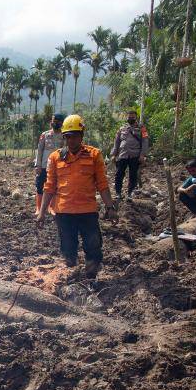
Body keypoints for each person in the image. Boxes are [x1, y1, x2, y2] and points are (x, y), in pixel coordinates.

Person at [37, 114, 117, 279]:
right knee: (68, 248)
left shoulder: (94, 155)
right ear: (64, 137)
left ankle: (91, 276)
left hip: (87, 211)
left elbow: (102, 184)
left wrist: (110, 207)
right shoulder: (55, 157)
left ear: (81, 136)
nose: (71, 140)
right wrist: (42, 212)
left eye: (75, 136)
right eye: (68, 137)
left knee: (93, 247)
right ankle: (72, 276)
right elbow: (49, 187)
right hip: (64, 212)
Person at [109, 110, 149, 200]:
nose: (130, 118)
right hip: (122, 155)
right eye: (129, 117)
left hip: (135, 156)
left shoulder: (142, 128)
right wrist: (113, 154)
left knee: (133, 175)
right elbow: (117, 142)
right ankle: (118, 193)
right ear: (126, 118)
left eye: (132, 117)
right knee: (119, 174)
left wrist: (142, 155)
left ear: (136, 118)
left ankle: (130, 194)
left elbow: (145, 141)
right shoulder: (122, 128)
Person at [33, 113, 65, 216]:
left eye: (58, 121)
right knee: (40, 187)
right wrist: (37, 165)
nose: (55, 123)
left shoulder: (64, 136)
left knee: (55, 188)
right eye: (54, 120)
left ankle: (51, 207)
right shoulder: (45, 135)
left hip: (57, 167)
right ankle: (38, 208)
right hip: (43, 166)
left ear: (62, 123)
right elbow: (39, 151)